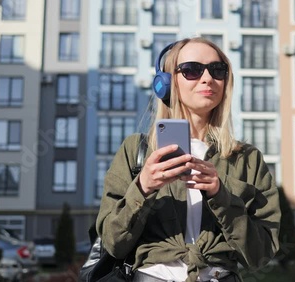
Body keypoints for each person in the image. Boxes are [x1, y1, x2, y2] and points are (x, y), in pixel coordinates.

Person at [96, 37, 281, 282]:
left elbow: (261, 255)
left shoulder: (247, 159)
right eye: (192, 70)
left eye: (217, 70)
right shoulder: (136, 150)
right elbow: (113, 243)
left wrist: (221, 196)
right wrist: (143, 188)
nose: (207, 78)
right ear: (166, 83)